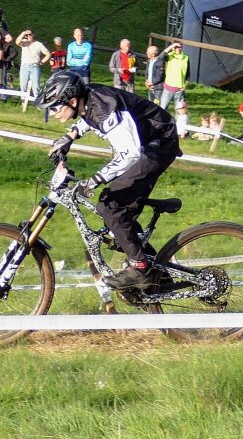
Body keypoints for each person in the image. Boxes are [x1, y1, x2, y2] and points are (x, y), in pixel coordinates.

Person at [38, 70, 183, 291]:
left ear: (73, 100)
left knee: (110, 205)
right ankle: (157, 275)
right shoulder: (88, 100)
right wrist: (70, 136)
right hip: (146, 143)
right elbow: (90, 118)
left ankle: (140, 268)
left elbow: (130, 154)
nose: (54, 112)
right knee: (117, 220)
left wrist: (92, 181)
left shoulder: (105, 108)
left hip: (157, 145)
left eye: (56, 107)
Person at [16, 29, 51, 98]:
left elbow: (48, 54)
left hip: (35, 67)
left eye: (30, 34)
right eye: (27, 35)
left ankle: (37, 101)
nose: (28, 36)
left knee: (36, 86)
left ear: (33, 35)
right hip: (24, 66)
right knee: (23, 85)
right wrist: (23, 33)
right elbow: (17, 42)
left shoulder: (39, 44)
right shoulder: (24, 42)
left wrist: (41, 62)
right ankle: (23, 101)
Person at [159, 41, 189, 112]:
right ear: (173, 48)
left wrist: (186, 84)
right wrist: (171, 46)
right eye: (176, 47)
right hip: (168, 87)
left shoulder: (186, 58)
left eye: (180, 47)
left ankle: (179, 122)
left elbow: (188, 73)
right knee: (162, 108)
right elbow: (160, 57)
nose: (178, 49)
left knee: (180, 110)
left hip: (179, 89)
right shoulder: (169, 56)